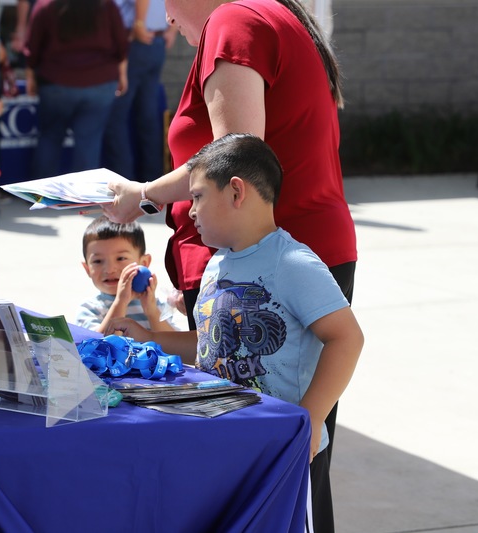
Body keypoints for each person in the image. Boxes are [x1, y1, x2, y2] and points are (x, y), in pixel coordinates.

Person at [102, 0, 355, 472]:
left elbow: (234, 154)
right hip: (267, 254)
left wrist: (143, 195)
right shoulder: (260, 17)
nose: (166, 18)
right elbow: (215, 346)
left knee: (276, 473)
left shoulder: (234, 22)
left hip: (275, 259)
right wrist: (151, 333)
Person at [107, 134, 364, 533]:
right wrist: (147, 337)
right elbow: (210, 343)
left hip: (280, 450)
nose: (188, 211)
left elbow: (347, 338)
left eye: (196, 197)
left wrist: (310, 420)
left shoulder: (292, 261)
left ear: (236, 192)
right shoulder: (218, 262)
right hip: (229, 442)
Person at [24, 0, 129, 178]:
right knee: (89, 142)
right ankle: (82, 199)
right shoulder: (106, 5)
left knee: (50, 138)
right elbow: (121, 43)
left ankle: (40, 195)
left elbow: (32, 46)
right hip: (99, 81)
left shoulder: (45, 5)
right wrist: (122, 74)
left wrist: (30, 76)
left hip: (56, 81)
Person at [102, 0, 178, 183]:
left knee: (116, 116)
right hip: (155, 39)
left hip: (136, 40)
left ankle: (123, 181)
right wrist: (173, 29)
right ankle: (151, 178)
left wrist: (139, 23)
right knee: (147, 116)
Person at [76, 215, 180, 333]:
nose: (109, 269)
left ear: (144, 263)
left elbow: (173, 344)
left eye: (120, 258)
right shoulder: (90, 310)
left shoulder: (156, 305)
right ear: (87, 269)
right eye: (97, 261)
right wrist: (120, 302)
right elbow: (98, 346)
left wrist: (152, 312)